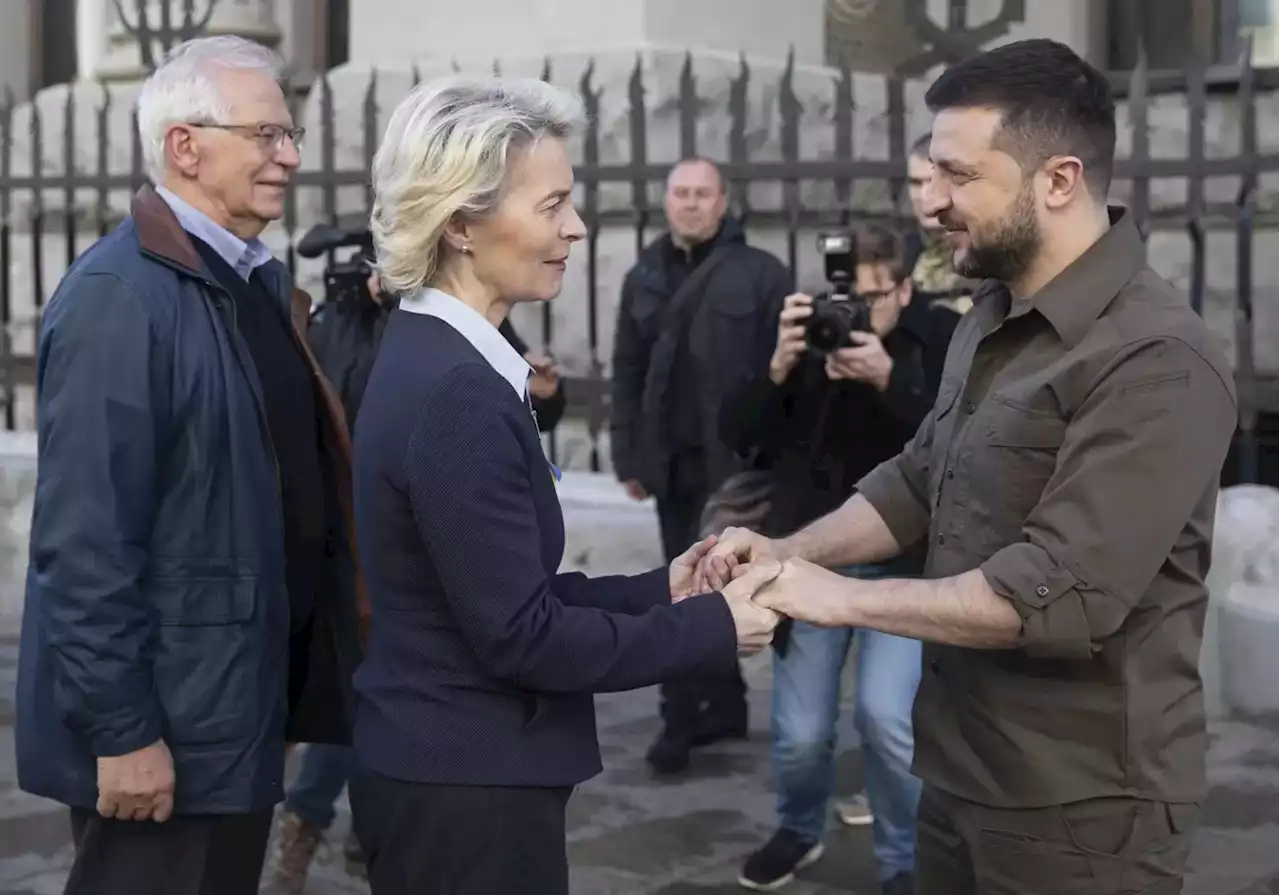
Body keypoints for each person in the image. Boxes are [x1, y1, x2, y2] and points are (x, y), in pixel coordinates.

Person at [702, 39, 1237, 895]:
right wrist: (789, 551)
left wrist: (837, 600)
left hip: (1081, 814)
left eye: (958, 176)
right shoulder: (991, 314)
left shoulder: (1158, 358)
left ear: (1057, 179)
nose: (933, 203)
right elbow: (916, 479)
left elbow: (1053, 589)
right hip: (956, 772)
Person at [347, 75, 783, 895]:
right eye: (553, 205)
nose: (576, 228)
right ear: (464, 223)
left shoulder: (438, 359)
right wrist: (711, 628)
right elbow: (522, 636)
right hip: (465, 796)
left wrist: (666, 588)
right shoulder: (457, 393)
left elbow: (501, 588)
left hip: (451, 773)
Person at [14, 35, 366, 895]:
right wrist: (123, 732)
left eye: (289, 136)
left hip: (233, 710)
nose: (288, 157)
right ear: (185, 145)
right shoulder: (120, 296)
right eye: (266, 135)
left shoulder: (249, 280)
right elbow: (84, 541)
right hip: (162, 731)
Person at [266, 274, 566, 894]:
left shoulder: (466, 319)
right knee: (360, 688)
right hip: (354, 539)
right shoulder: (350, 323)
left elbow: (516, 406)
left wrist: (545, 394)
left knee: (382, 687)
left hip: (411, 544)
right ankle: (306, 823)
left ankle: (346, 825)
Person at [725, 225, 957, 893]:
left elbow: (956, 450)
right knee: (798, 731)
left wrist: (887, 378)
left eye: (871, 298)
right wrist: (778, 365)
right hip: (811, 552)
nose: (852, 312)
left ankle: (902, 862)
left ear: (905, 288)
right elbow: (738, 433)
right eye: (843, 296)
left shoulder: (936, 337)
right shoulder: (806, 338)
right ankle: (799, 828)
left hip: (905, 562)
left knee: (888, 719)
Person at [610, 156, 793, 775]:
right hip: (669, 465)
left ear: (723, 202)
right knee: (682, 590)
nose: (689, 203)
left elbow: (785, 377)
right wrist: (627, 455)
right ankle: (688, 715)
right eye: (680, 193)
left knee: (719, 587)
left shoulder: (763, 274)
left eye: (701, 193)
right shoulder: (643, 276)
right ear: (668, 201)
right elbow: (627, 371)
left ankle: (711, 708)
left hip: (734, 467)